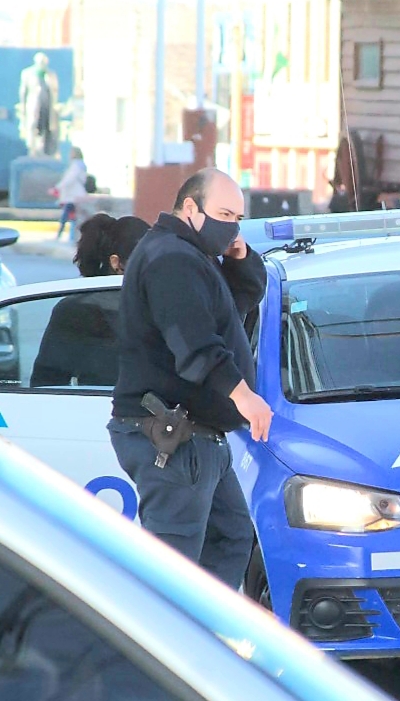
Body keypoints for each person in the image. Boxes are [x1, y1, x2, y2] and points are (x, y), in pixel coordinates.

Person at [107, 168, 273, 589]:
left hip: (200, 439)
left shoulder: (193, 257)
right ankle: (163, 631)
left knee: (231, 537)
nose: (231, 226)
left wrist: (240, 259)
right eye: (223, 214)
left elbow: (233, 308)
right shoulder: (172, 259)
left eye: (238, 218)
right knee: (173, 571)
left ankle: (204, 626)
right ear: (189, 207)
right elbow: (195, 343)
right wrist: (244, 396)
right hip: (175, 437)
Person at [30, 213, 149, 388]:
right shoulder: (78, 310)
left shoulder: (166, 304)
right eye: (147, 261)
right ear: (116, 263)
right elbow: (47, 384)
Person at [17, 51, 59, 157]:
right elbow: (23, 91)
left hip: (46, 106)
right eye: (40, 62)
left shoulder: (50, 75)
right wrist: (23, 105)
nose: (42, 64)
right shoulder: (27, 73)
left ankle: (43, 150)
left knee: (46, 128)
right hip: (33, 105)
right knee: (32, 125)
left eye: (44, 62)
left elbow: (55, 91)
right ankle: (31, 149)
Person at [52, 147, 88, 241]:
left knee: (67, 216)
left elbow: (69, 179)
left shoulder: (76, 165)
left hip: (73, 195)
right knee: (73, 216)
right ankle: (71, 236)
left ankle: (63, 236)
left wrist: (58, 187)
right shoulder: (81, 164)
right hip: (76, 195)